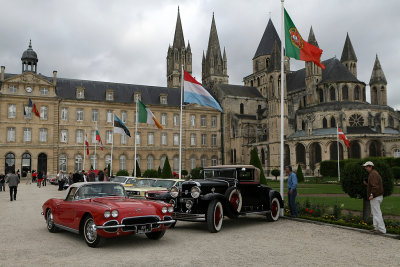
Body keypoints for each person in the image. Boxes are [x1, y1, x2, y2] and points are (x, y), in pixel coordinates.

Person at [362, 161, 386, 234]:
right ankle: (376, 228)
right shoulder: (373, 173)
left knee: (377, 212)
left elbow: (375, 186)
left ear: (370, 167)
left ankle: (382, 229)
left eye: (366, 167)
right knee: (375, 212)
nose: (365, 168)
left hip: (376, 196)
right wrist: (367, 184)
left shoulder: (373, 174)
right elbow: (374, 185)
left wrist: (372, 194)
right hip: (377, 196)